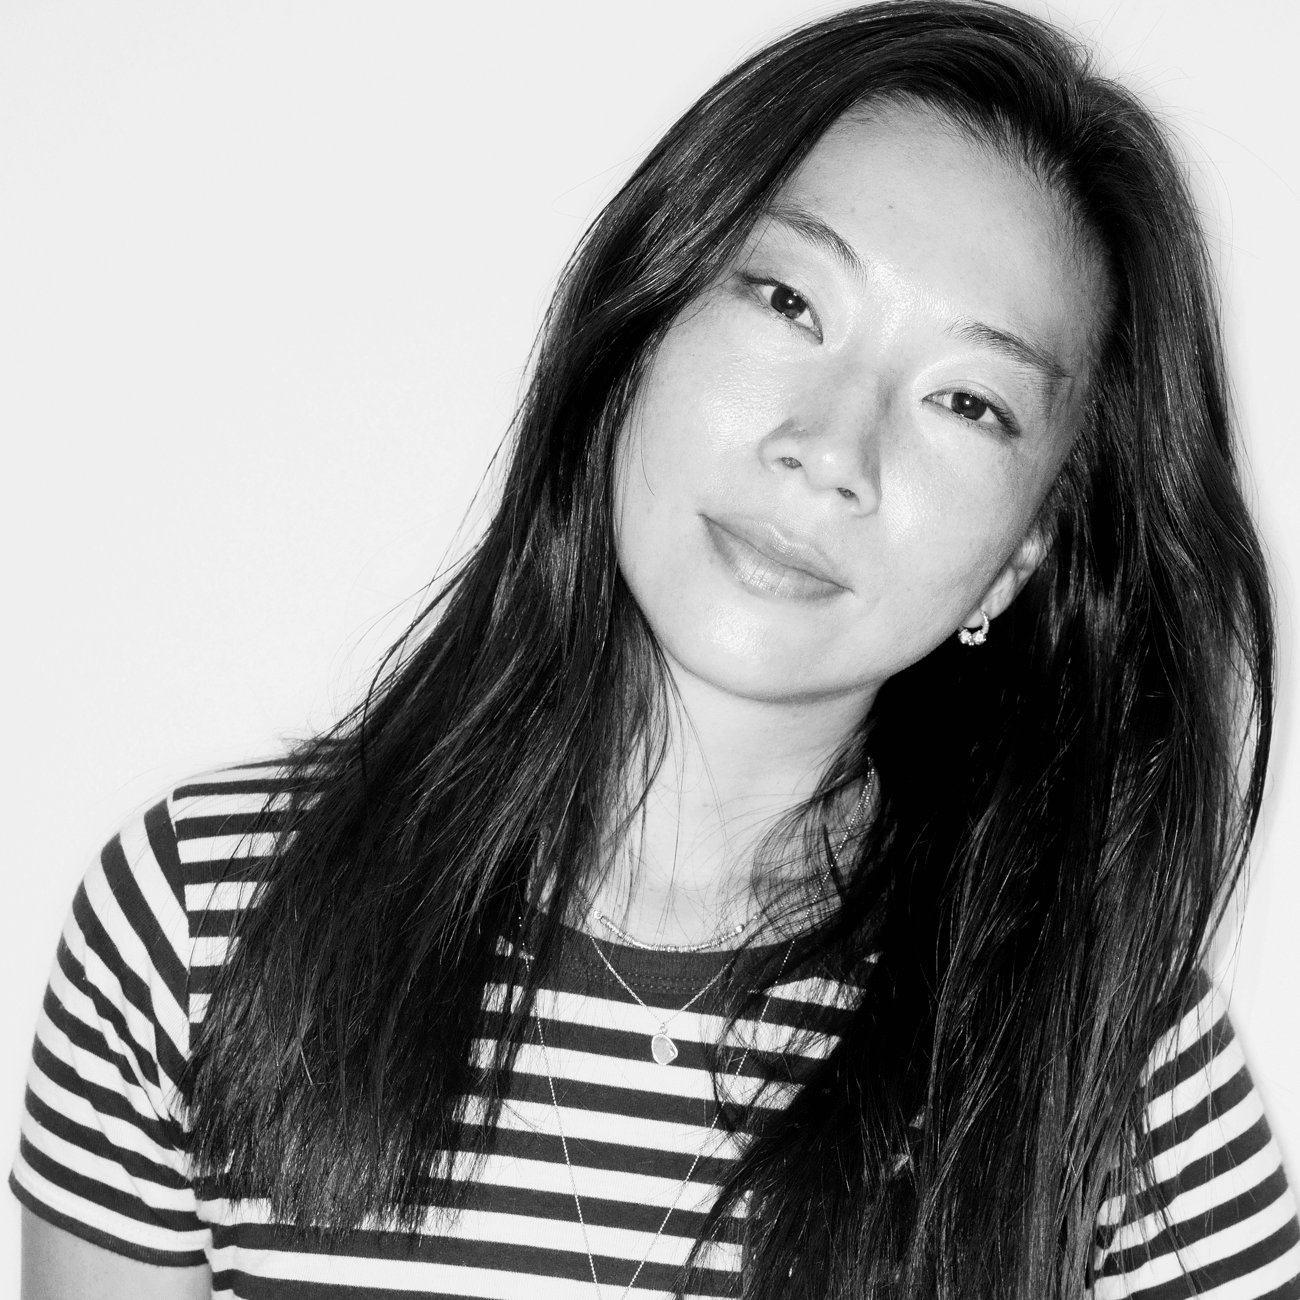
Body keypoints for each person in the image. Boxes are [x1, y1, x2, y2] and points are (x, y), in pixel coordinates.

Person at [13, 2, 1299, 1297]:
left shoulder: (1111, 1057)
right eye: (790, 301)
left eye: (968, 402)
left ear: (1026, 551)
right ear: (641, 323)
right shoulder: (203, 923)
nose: (831, 450)